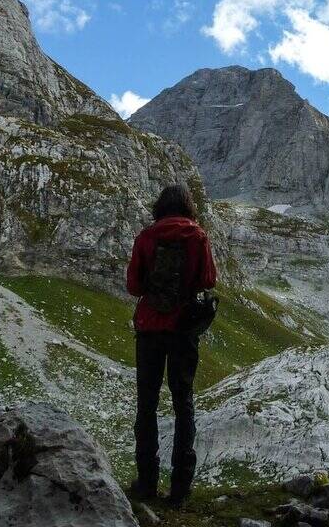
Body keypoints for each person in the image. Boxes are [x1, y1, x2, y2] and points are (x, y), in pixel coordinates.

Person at [126, 183, 217, 506]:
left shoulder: (146, 237)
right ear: (187, 205)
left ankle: (147, 483)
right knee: (183, 404)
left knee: (146, 405)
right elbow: (208, 279)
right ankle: (180, 488)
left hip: (149, 329)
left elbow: (134, 285)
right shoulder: (197, 236)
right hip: (182, 330)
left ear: (160, 206)